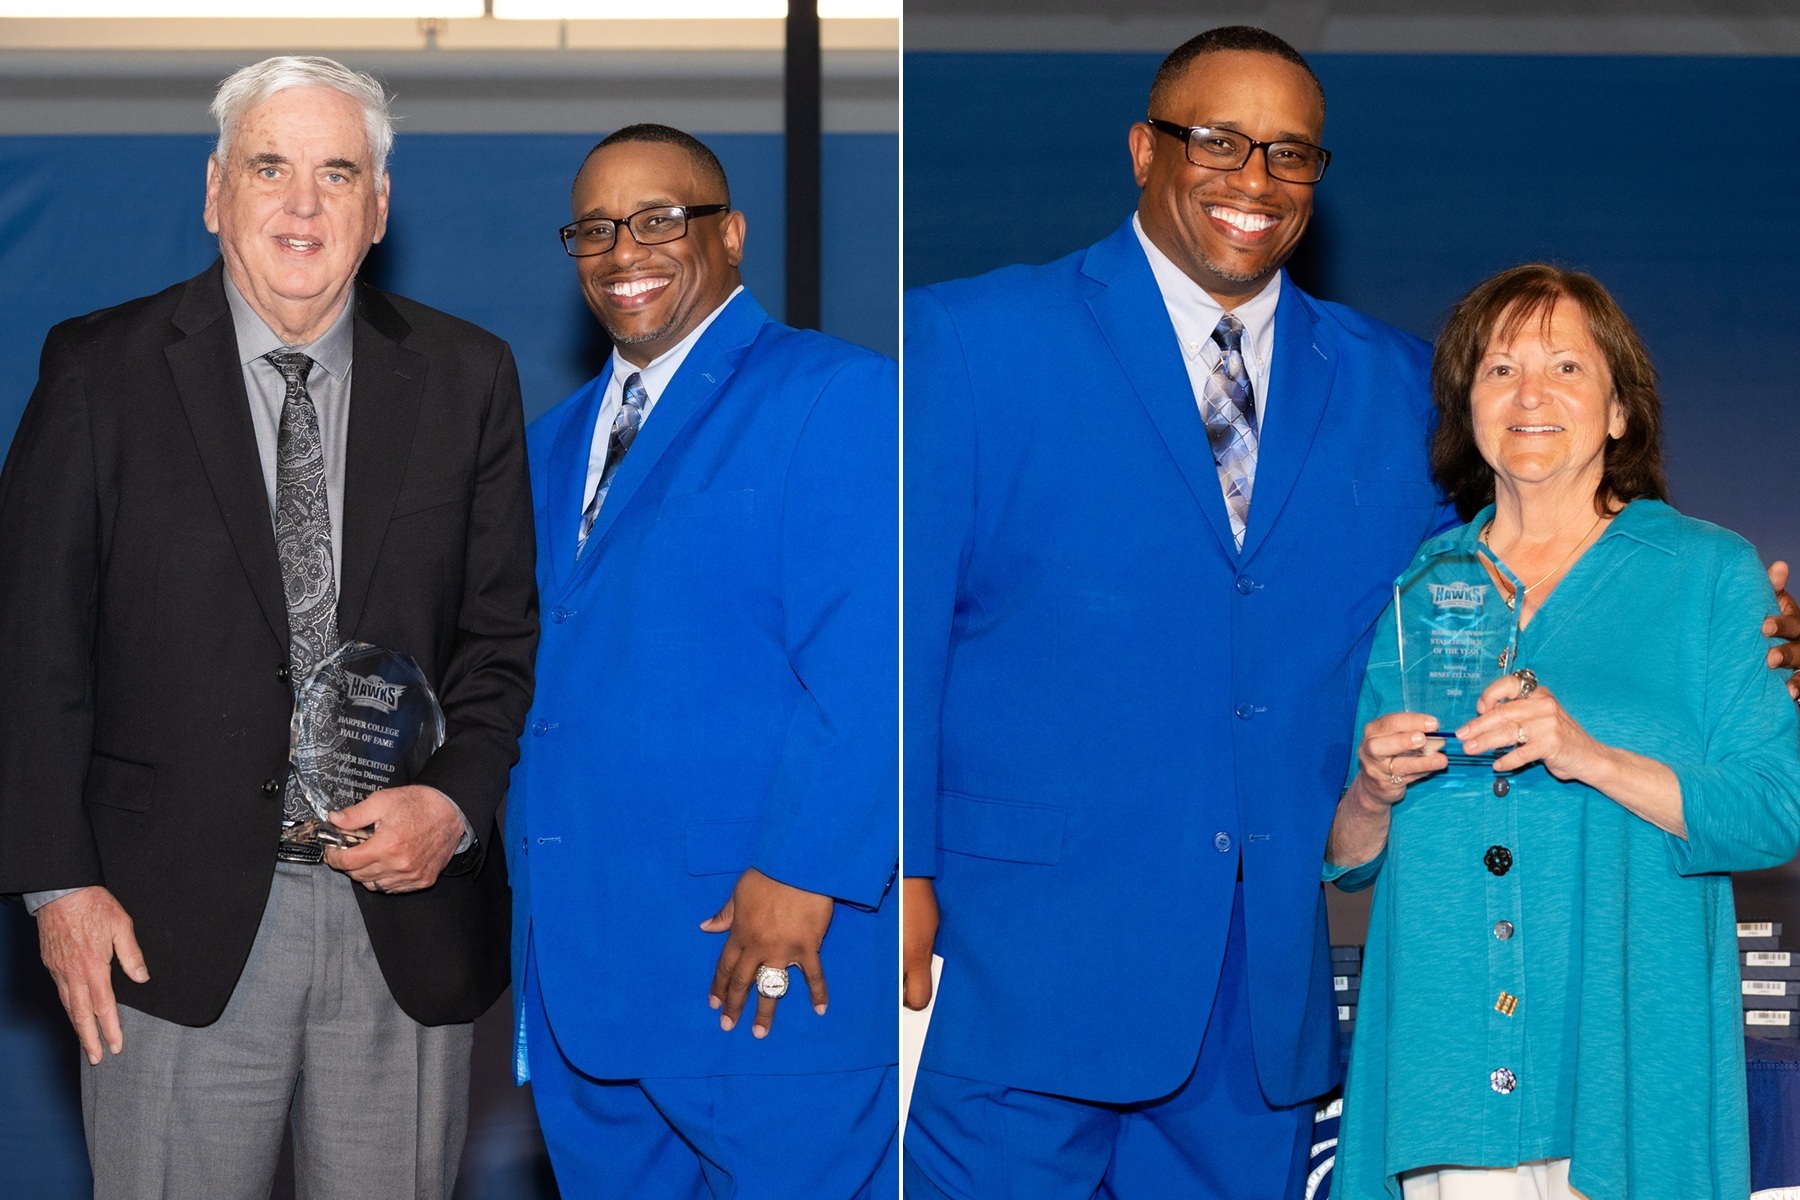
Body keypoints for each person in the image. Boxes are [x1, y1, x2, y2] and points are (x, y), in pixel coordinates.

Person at [901, 26, 1800, 1199]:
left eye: (1290, 152)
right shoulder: (971, 340)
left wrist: (1741, 630)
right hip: (1021, 967)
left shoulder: (1393, 384)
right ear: (1143, 149)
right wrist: (896, 871)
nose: (1255, 177)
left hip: (1259, 1003)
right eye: (1218, 140)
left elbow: (1531, 578)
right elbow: (896, 633)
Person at [0, 56, 537, 1199]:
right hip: (162, 925)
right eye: (269, 168)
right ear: (215, 191)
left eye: (337, 174)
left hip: (406, 921)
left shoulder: (467, 376)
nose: (303, 204)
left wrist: (453, 805)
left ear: (379, 207)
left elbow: (501, 639)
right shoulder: (99, 371)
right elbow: (29, 647)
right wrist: (56, 886)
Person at [1326, 265, 1800, 1200]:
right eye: (1500, 370)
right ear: (1467, 410)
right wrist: (1372, 793)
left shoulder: (1709, 573)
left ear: (1620, 412)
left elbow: (1773, 812)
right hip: (1447, 1069)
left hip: (1627, 1065)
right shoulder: (1422, 586)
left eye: (1567, 368)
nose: (1530, 394)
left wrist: (1590, 756)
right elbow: (1345, 860)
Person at [511, 124, 896, 1199]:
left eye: (658, 219)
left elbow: (874, 660)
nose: (623, 250)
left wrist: (808, 870)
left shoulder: (837, 395)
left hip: (764, 954)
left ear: (730, 234)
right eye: (595, 229)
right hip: (585, 978)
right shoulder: (544, 447)